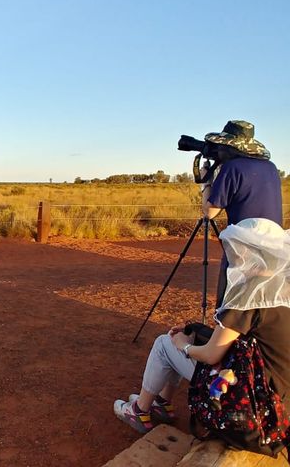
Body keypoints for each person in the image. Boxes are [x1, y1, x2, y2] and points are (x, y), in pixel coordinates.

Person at [113, 218, 290, 435]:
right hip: (278, 392)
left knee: (164, 344)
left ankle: (139, 410)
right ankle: (161, 403)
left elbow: (211, 355)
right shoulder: (281, 286)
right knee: (192, 332)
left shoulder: (250, 294)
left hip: (253, 400)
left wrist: (183, 346)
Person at [201, 120, 282, 305]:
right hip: (274, 244)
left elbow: (210, 212)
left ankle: (225, 329)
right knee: (262, 297)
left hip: (243, 246)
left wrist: (206, 180)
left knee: (231, 299)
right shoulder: (271, 167)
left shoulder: (232, 168)